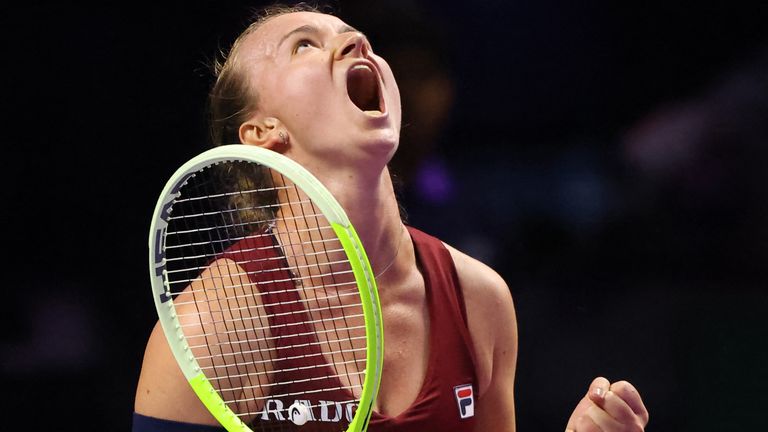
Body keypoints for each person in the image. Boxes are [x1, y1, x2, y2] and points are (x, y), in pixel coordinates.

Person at [133, 4, 649, 431]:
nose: (357, 41)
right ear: (263, 132)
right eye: (304, 45)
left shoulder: (479, 300)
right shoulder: (211, 330)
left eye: (355, 36)